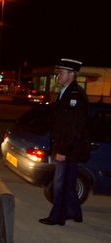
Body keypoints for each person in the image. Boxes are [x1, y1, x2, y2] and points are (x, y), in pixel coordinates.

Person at [39, 58, 89, 226]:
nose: (57, 75)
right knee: (68, 182)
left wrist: (62, 150)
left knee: (60, 184)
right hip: (67, 148)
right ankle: (75, 212)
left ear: (71, 74)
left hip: (68, 149)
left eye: (61, 72)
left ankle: (57, 217)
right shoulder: (66, 92)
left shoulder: (75, 96)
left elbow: (74, 128)